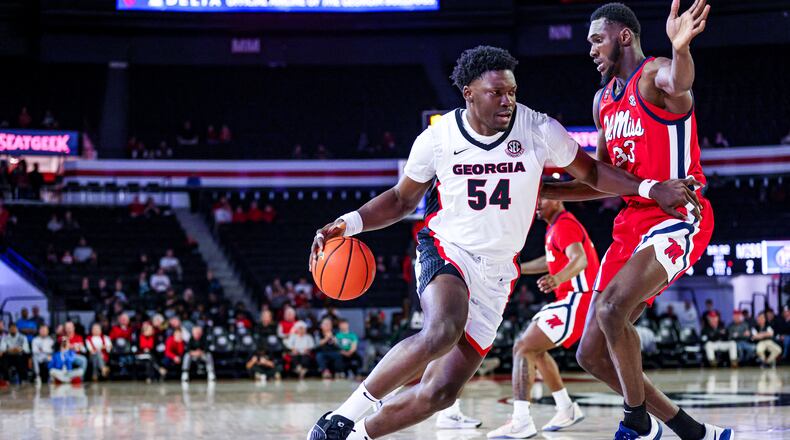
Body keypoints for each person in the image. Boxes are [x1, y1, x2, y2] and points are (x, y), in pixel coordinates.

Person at [307, 44, 696, 440]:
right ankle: (339, 420)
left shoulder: (538, 129)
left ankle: (356, 437)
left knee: (439, 393)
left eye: (512, 91)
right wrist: (347, 223)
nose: (507, 100)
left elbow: (593, 172)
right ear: (469, 94)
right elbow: (400, 199)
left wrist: (650, 188)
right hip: (447, 249)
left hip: (497, 273)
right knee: (442, 329)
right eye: (497, 93)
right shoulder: (438, 139)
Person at [540, 3, 732, 439]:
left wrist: (681, 49)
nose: (589, 49)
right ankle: (691, 431)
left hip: (678, 214)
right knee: (590, 354)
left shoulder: (655, 74)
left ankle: (636, 420)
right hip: (632, 222)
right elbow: (604, 181)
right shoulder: (602, 101)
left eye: (596, 39)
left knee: (611, 309)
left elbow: (680, 82)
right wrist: (545, 190)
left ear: (623, 36)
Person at [487, 197, 598, 438]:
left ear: (558, 200)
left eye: (543, 198)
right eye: (535, 198)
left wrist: (558, 279)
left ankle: (521, 420)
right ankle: (566, 409)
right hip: (572, 299)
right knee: (535, 351)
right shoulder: (555, 228)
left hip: (578, 298)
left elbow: (580, 259)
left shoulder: (564, 225)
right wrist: (517, 269)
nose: (536, 203)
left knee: (523, 347)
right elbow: (549, 262)